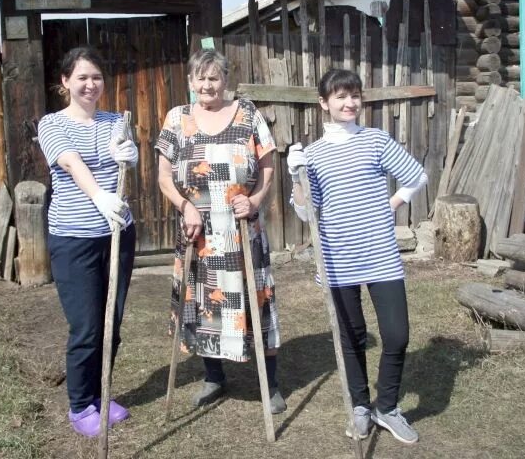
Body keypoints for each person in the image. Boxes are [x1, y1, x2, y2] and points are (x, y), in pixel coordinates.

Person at [288, 68, 427, 444]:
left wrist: (391, 204)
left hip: (380, 254)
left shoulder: (376, 141)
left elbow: (416, 176)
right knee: (351, 339)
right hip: (337, 258)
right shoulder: (312, 155)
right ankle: (362, 407)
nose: (349, 103)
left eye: (354, 96)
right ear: (324, 103)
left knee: (397, 335)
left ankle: (388, 407)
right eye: (340, 97)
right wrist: (296, 176)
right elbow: (305, 213)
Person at [155, 48, 285, 414]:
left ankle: (269, 383)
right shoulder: (177, 118)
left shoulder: (247, 113)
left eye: (214, 77)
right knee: (201, 304)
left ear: (226, 80)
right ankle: (214, 377)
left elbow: (268, 165)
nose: (207, 85)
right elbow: (164, 176)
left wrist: (255, 199)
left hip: (241, 227)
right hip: (198, 229)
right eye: (200, 78)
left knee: (255, 301)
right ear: (191, 82)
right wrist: (185, 206)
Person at [37, 47, 140, 438]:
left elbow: (126, 167)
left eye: (96, 77)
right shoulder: (52, 123)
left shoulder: (116, 120)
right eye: (81, 77)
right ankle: (80, 407)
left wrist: (128, 155)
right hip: (74, 238)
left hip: (117, 233)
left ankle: (101, 394)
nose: (90, 84)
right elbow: (70, 162)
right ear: (65, 82)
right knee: (86, 327)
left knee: (111, 323)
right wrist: (98, 195)